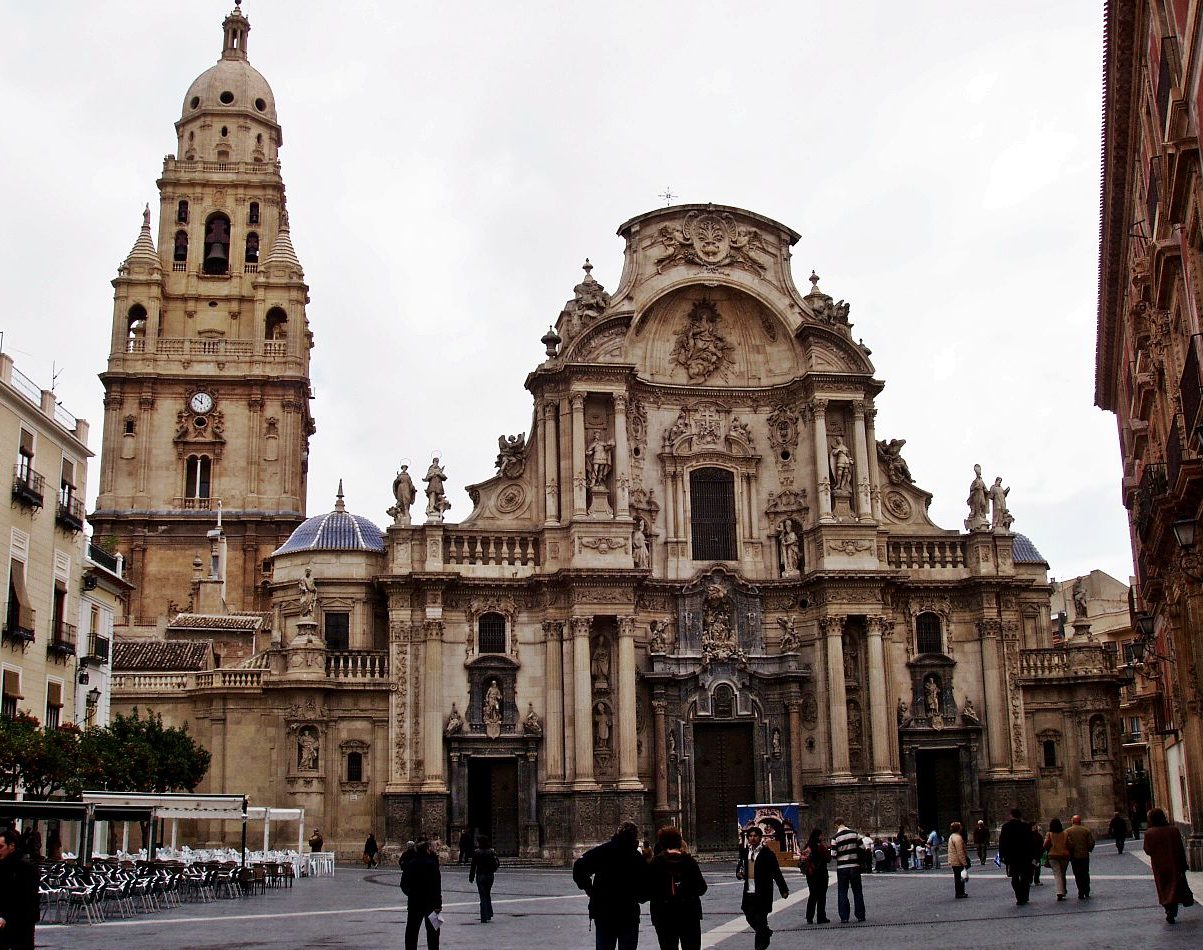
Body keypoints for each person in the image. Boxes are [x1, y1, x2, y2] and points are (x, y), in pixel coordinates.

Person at [573, 821, 650, 950]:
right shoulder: (636, 857)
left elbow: (579, 866)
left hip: (603, 911)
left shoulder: (603, 851)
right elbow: (645, 886)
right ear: (635, 837)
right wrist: (639, 897)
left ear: (617, 833)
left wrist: (589, 889)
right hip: (628, 913)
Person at [647, 826, 707, 950]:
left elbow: (648, 890)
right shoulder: (689, 861)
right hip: (689, 913)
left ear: (661, 842)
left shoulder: (656, 862)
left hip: (664, 915)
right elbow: (702, 888)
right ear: (679, 841)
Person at [736, 825, 788, 949]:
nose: (752, 838)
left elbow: (776, 872)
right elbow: (740, 867)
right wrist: (738, 874)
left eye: (755, 836)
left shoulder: (767, 854)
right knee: (749, 916)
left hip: (763, 893)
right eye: (750, 836)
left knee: (761, 920)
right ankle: (765, 932)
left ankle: (760, 946)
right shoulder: (745, 852)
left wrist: (783, 889)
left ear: (760, 838)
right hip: (748, 892)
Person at [1143, 807, 1195, 923]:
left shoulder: (1149, 833)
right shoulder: (1174, 830)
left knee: (1163, 887)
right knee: (1174, 886)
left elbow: (1147, 850)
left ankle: (1168, 908)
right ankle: (1172, 908)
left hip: (1159, 865)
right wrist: (1184, 863)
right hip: (1174, 863)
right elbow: (1180, 847)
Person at [400, 840, 442, 950]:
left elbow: (403, 884)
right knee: (434, 932)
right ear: (427, 850)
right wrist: (439, 905)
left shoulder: (410, 864)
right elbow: (437, 887)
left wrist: (411, 894)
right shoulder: (433, 865)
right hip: (432, 903)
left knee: (411, 931)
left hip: (414, 903)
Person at [0, 828, 37, 950]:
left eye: (1, 847)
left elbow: (25, 898)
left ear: (11, 846)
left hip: (20, 924)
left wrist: (5, 916)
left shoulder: (26, 869)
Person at [997, 807, 1037, 905]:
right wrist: (1033, 855)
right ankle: (1025, 896)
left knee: (1014, 877)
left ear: (1011, 815)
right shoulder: (1026, 826)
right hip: (1025, 856)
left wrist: (1001, 855)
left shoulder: (1006, 827)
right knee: (1025, 877)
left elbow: (1002, 842)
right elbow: (1031, 842)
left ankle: (1019, 896)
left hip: (1012, 857)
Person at [831, 817, 866, 923]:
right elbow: (862, 848)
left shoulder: (835, 838)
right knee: (857, 891)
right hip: (854, 866)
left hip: (842, 868)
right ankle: (860, 915)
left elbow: (833, 854)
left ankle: (844, 917)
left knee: (842, 892)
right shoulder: (855, 834)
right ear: (844, 823)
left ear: (836, 825)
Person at [801, 827, 831, 924]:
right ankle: (821, 917)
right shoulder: (820, 847)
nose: (822, 837)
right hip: (821, 873)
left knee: (812, 895)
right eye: (821, 835)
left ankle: (809, 917)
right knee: (821, 895)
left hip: (810, 874)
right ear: (818, 836)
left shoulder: (808, 846)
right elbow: (828, 858)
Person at [469, 835, 499, 924]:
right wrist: (493, 870)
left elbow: (473, 866)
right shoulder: (492, 851)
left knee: (482, 896)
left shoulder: (476, 852)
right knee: (487, 893)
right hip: (489, 876)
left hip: (480, 876)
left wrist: (471, 876)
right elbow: (497, 863)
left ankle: (484, 916)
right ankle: (489, 913)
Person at [1064, 815, 1095, 899]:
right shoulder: (1086, 830)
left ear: (1072, 821)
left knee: (1077, 874)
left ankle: (1080, 891)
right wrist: (1089, 849)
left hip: (1074, 856)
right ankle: (1087, 890)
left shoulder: (1067, 831)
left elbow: (1067, 844)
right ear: (1080, 821)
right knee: (1085, 873)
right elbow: (1091, 842)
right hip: (1084, 855)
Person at [1043, 818, 1071, 901]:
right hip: (1064, 855)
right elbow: (1069, 844)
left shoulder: (1049, 834)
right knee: (1063, 873)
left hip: (1053, 855)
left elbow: (1045, 845)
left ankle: (1060, 891)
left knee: (1057, 874)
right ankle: (1064, 890)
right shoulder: (1065, 833)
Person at [947, 822, 969, 898]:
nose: (961, 827)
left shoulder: (952, 836)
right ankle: (960, 892)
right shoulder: (958, 838)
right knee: (960, 877)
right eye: (960, 826)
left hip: (954, 860)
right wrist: (964, 862)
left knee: (957, 877)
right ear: (958, 828)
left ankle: (959, 892)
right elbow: (960, 852)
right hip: (958, 861)